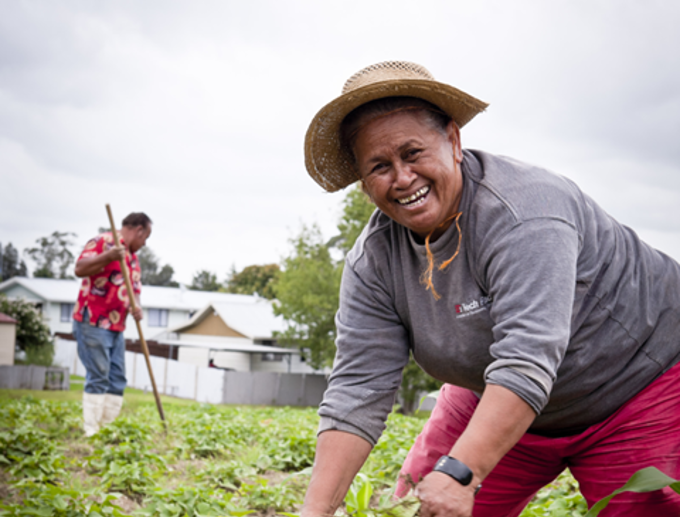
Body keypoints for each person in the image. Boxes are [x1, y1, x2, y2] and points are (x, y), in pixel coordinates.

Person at [300, 61, 680, 517]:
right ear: (364, 185)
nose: (401, 178)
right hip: (494, 395)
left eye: (413, 152)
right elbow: (357, 390)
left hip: (636, 388)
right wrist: (314, 513)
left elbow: (527, 356)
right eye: (380, 166)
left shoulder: (526, 211)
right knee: (427, 507)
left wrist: (462, 470)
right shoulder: (374, 261)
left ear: (454, 141)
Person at [72, 212, 152, 436]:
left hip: (117, 326)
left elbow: (135, 290)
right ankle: (92, 432)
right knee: (99, 376)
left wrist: (136, 306)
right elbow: (80, 269)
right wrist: (107, 257)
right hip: (93, 321)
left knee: (117, 379)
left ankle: (107, 430)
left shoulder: (133, 257)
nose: (145, 243)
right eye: (145, 237)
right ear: (138, 230)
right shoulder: (102, 242)